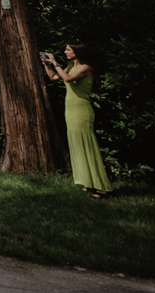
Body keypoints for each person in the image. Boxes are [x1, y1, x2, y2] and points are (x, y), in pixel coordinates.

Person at [42, 43, 113, 197]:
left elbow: (67, 79)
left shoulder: (85, 68)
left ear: (78, 52)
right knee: (78, 146)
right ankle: (88, 182)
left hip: (82, 111)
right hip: (71, 111)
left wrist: (55, 62)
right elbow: (54, 77)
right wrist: (46, 64)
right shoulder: (68, 66)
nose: (65, 52)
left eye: (68, 49)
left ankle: (102, 187)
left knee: (87, 146)